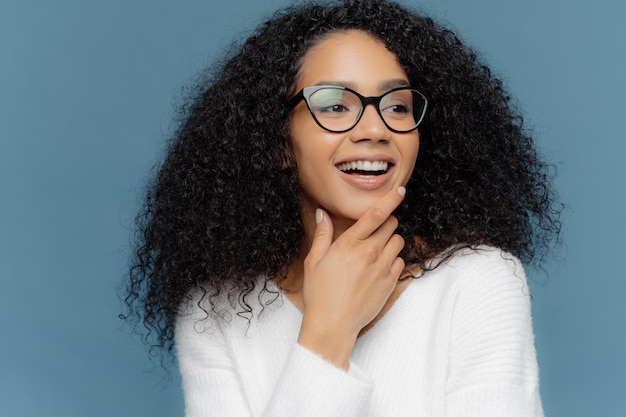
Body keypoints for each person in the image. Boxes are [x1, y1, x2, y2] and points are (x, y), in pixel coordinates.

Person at [124, 0, 561, 415]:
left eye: (397, 106)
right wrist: (327, 333)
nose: (375, 128)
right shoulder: (215, 311)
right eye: (334, 105)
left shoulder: (478, 280)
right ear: (279, 144)